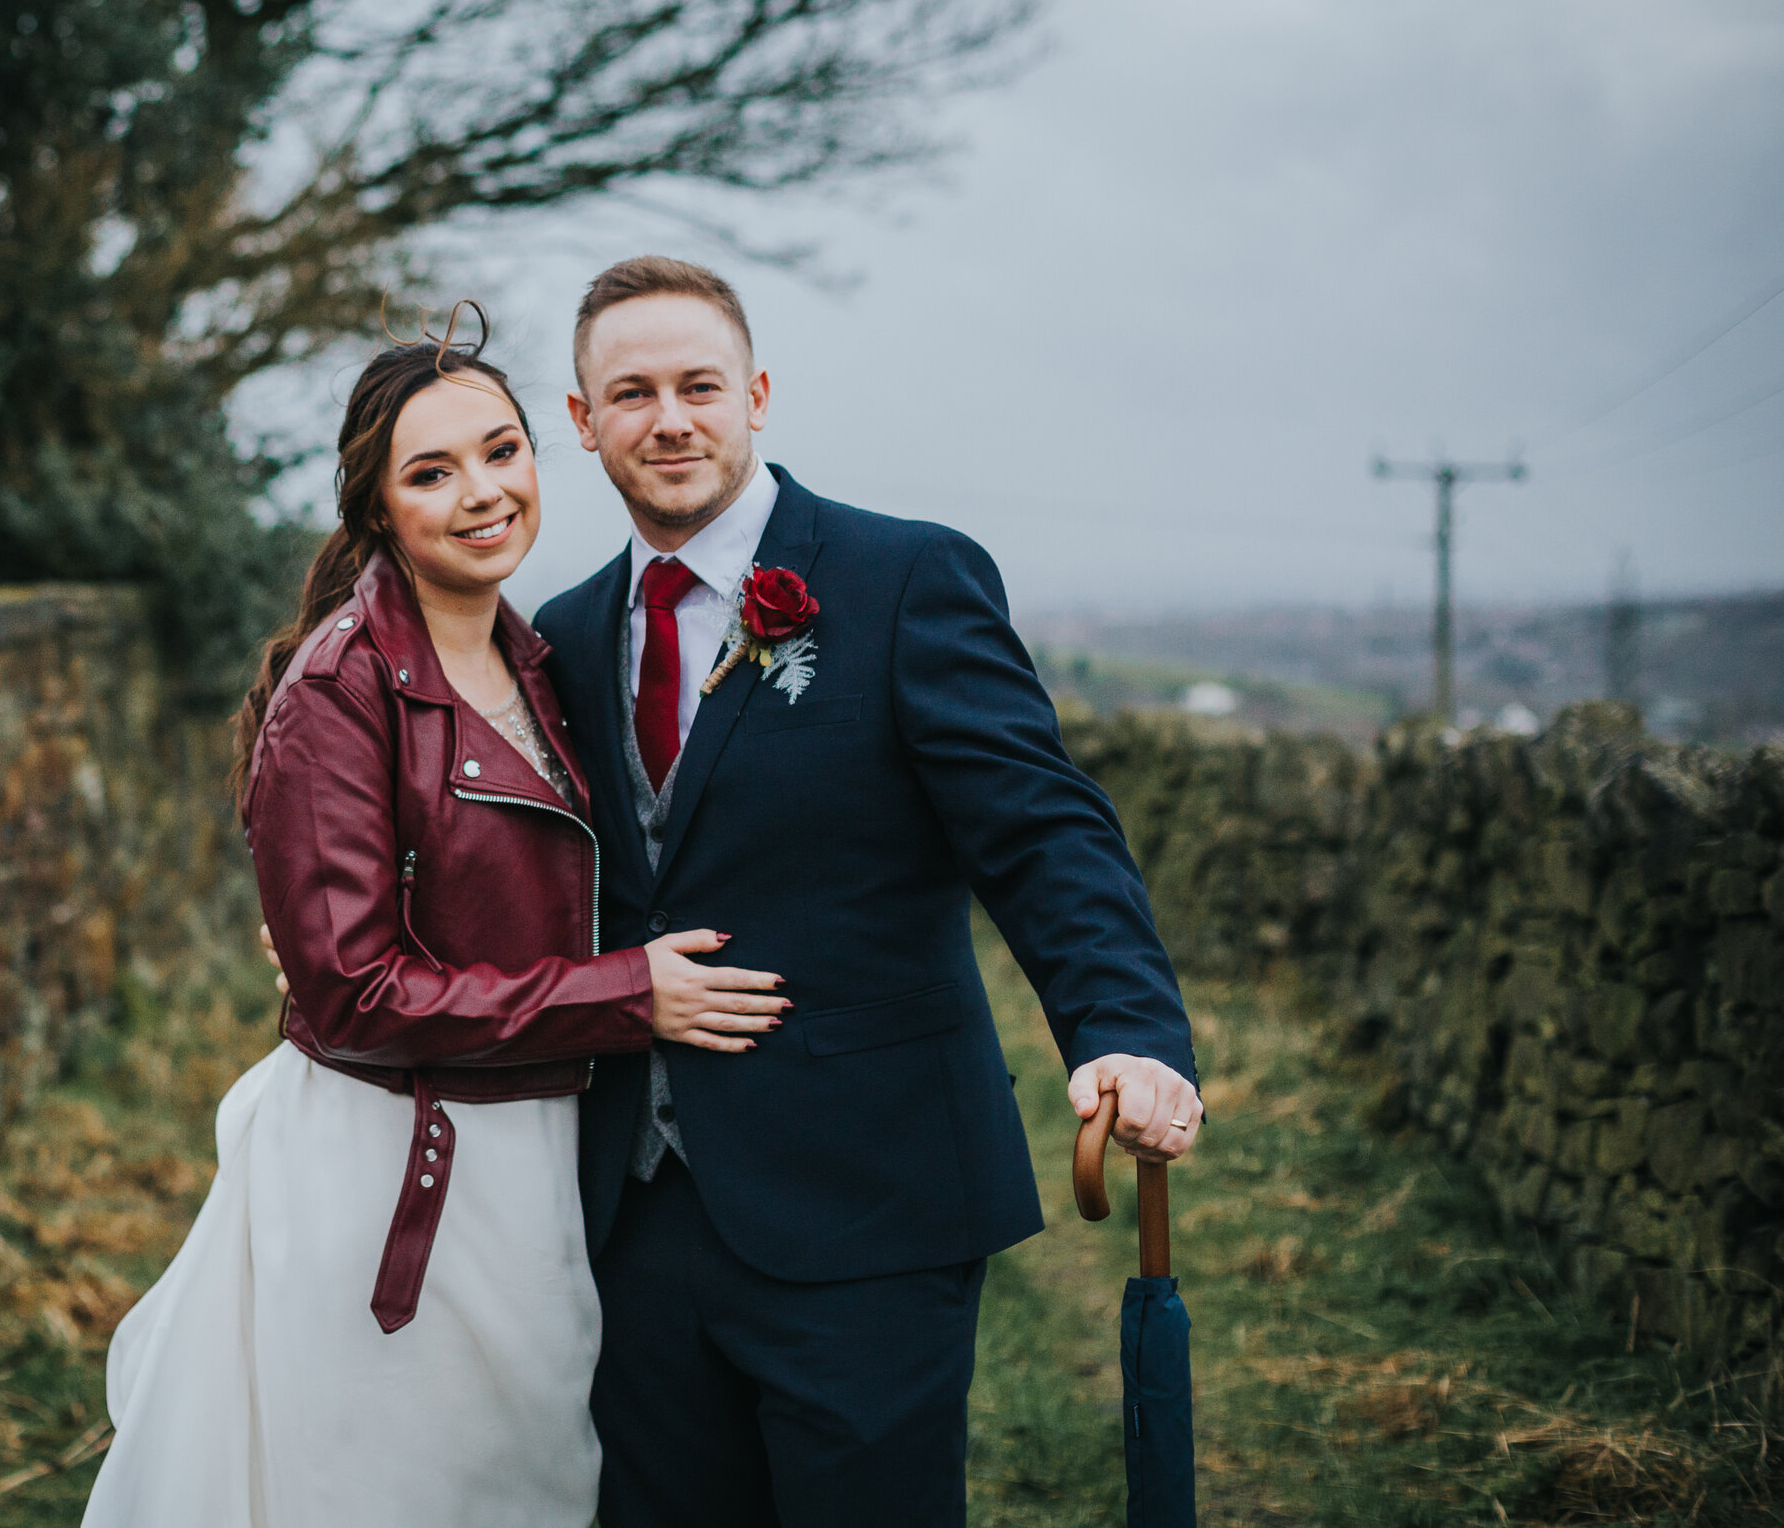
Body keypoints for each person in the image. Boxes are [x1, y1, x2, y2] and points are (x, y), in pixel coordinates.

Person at [530, 256, 1205, 1527]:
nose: (667, 417)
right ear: (582, 421)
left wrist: (1122, 1028)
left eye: (697, 385)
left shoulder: (903, 580)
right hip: (632, 1206)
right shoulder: (557, 635)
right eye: (630, 392)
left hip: (870, 1196)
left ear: (758, 394)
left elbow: (1042, 828)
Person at [77, 325, 789, 1528]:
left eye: (500, 451)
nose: (480, 493)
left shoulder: (546, 656)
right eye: (430, 472)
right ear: (376, 507)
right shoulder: (337, 692)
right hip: (395, 1167)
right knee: (396, 1487)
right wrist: (628, 995)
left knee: (528, 1484)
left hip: (537, 1155)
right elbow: (356, 992)